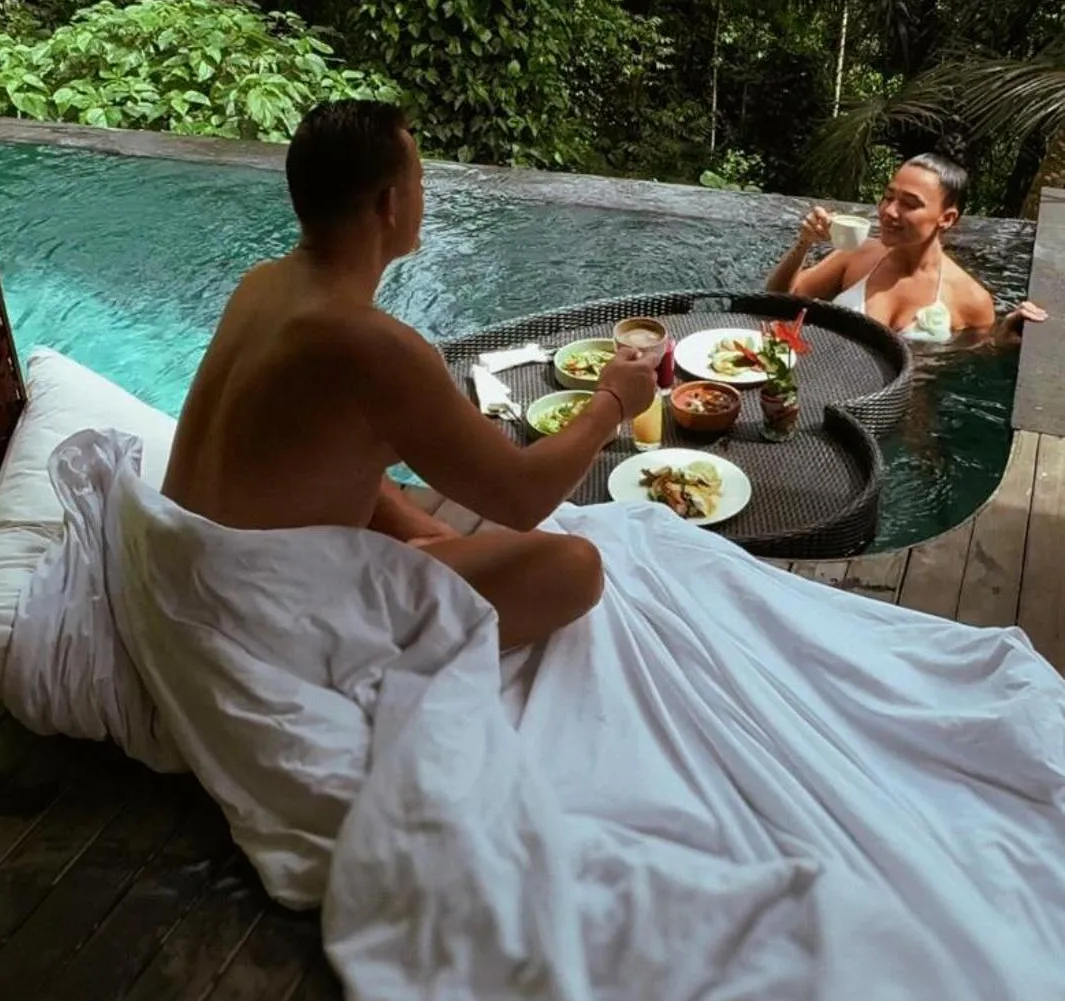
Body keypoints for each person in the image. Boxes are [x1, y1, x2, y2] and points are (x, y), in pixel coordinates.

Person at [162, 100, 658, 652]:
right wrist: (613, 400)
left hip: (178, 578)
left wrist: (417, 532)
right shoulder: (370, 344)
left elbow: (321, 459)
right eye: (420, 181)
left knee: (422, 521)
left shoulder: (260, 285)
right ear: (391, 204)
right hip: (255, 624)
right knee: (575, 568)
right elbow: (523, 497)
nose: (425, 194)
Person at [765, 152, 1047, 345]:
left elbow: (977, 359)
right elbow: (777, 302)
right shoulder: (858, 255)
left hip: (908, 409)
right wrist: (804, 243)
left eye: (909, 204)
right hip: (828, 384)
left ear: (947, 218)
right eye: (888, 197)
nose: (889, 211)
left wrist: (1005, 337)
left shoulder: (971, 300)